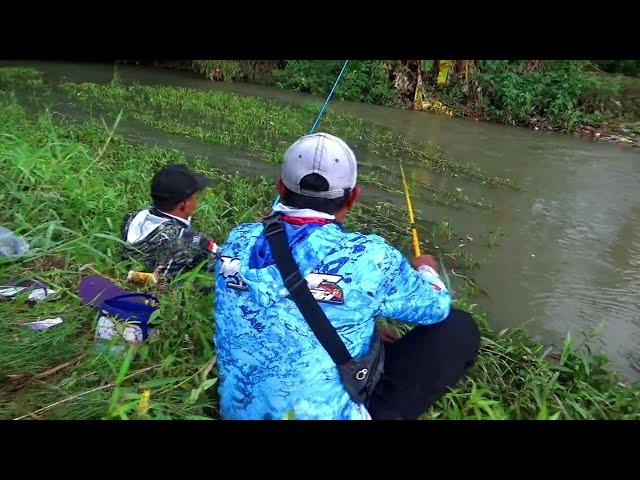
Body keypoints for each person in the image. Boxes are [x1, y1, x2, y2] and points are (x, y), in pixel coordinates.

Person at [214, 133, 480, 420]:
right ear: (352, 197)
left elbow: (280, 297)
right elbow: (436, 307)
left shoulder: (238, 239)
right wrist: (426, 268)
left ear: (281, 187)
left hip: (237, 412)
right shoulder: (371, 256)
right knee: (458, 327)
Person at [121, 164, 218, 280]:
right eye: (196, 198)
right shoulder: (191, 240)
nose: (197, 202)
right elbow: (223, 260)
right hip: (170, 290)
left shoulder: (131, 218)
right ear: (184, 204)